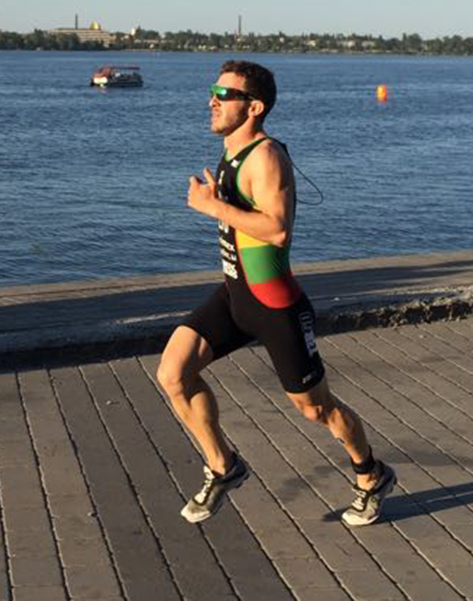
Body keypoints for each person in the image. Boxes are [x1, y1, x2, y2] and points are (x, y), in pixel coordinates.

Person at [155, 60, 396, 526]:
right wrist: (217, 201)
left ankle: (372, 474)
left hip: (275, 306)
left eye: (223, 94)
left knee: (316, 408)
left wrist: (212, 206)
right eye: (213, 91)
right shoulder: (233, 150)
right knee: (173, 374)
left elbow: (278, 230)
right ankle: (224, 466)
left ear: (254, 107)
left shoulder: (265, 157)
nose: (212, 100)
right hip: (234, 295)